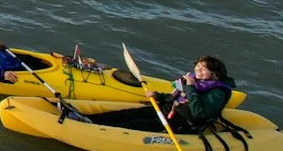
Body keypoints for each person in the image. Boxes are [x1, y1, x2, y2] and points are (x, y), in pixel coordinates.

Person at [96, 57, 237, 134]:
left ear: (214, 74)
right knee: (127, 114)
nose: (198, 69)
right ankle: (87, 119)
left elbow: (198, 112)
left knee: (135, 124)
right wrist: (158, 96)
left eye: (203, 68)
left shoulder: (218, 93)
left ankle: (97, 130)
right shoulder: (196, 80)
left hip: (183, 121)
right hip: (168, 109)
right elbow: (176, 96)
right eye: (198, 66)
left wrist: (190, 87)